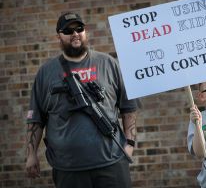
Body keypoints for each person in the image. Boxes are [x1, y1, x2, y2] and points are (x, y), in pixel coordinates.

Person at [25, 12, 139, 188]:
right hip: (68, 168)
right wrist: (31, 155)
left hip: (112, 162)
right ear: (59, 36)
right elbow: (36, 119)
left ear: (85, 31)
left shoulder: (108, 63)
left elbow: (128, 107)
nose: (75, 33)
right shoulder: (46, 72)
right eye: (68, 30)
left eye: (79, 28)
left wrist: (130, 144)